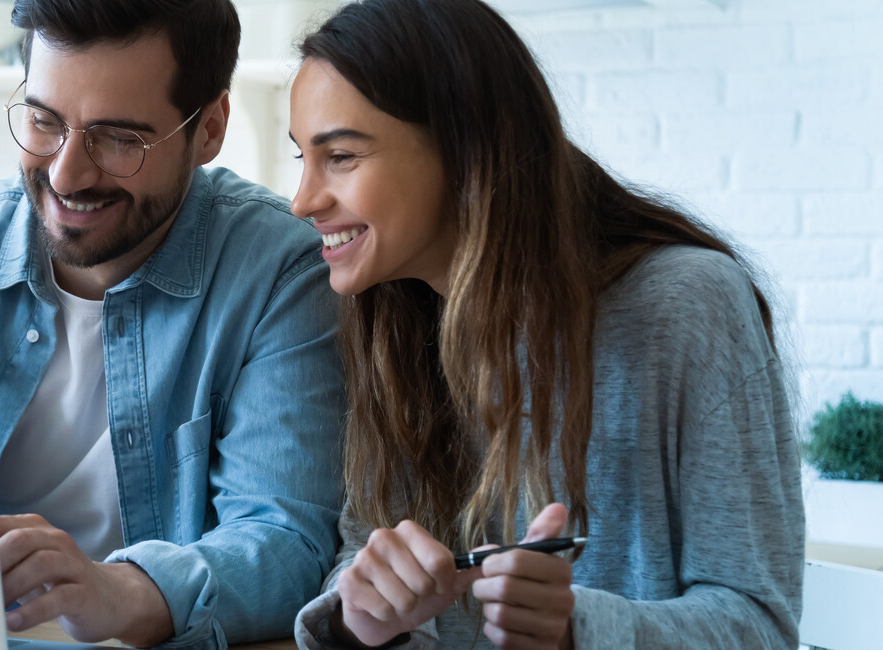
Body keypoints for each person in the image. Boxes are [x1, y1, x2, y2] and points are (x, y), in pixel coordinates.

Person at [285, 0, 804, 648]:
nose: (302, 199)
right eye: (302, 156)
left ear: (464, 149)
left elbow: (760, 625)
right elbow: (366, 558)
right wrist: (362, 621)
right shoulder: (388, 320)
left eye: (340, 156)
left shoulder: (688, 306)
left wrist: (575, 631)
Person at [0, 0, 346, 647]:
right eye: (44, 122)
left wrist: (119, 590)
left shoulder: (278, 270)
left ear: (209, 127)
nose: (66, 173)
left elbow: (286, 541)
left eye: (119, 138)